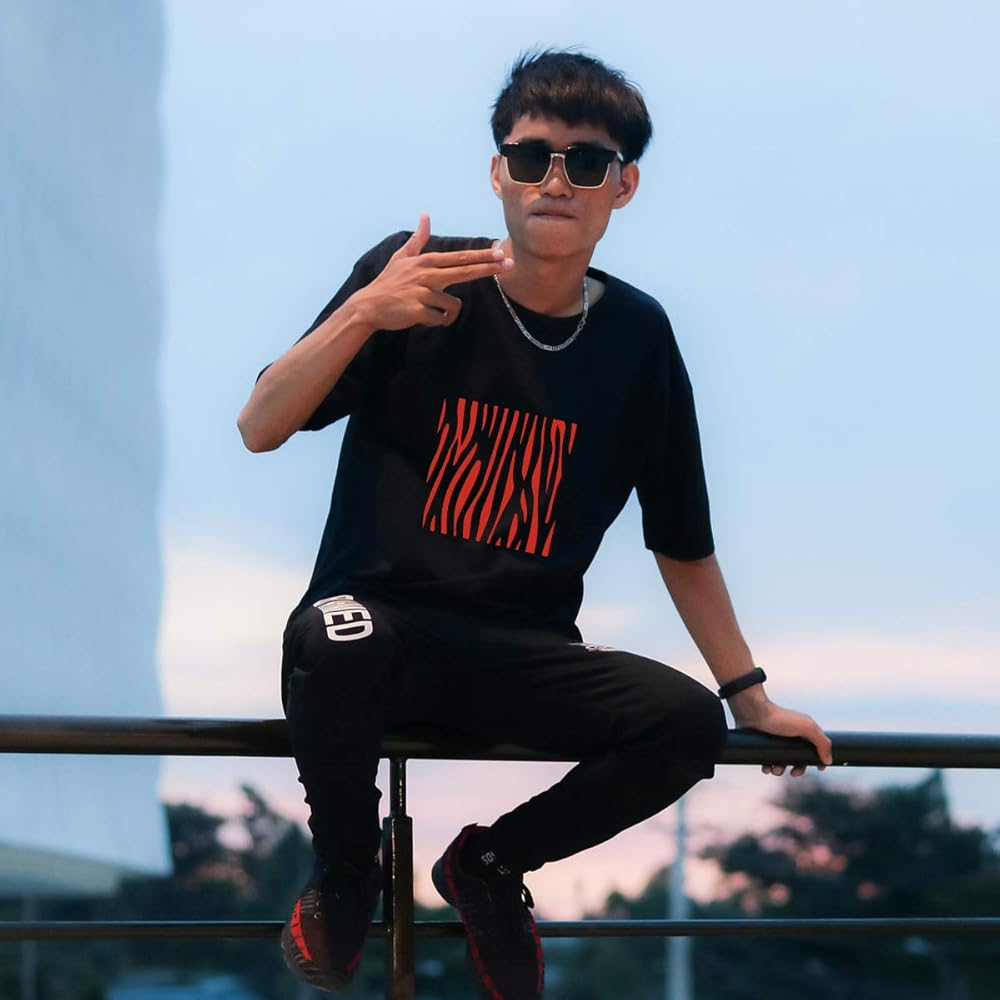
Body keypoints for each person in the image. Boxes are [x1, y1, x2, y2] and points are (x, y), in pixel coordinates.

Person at [238, 49, 834, 999]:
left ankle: (489, 866)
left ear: (622, 186)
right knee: (333, 635)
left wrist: (749, 698)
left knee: (683, 723)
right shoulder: (412, 276)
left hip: (521, 652)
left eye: (586, 162)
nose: (555, 181)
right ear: (497, 172)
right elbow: (260, 426)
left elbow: (682, 539)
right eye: (531, 157)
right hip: (380, 629)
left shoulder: (638, 338)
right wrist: (363, 315)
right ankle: (347, 874)